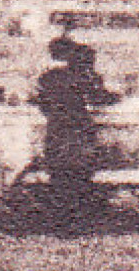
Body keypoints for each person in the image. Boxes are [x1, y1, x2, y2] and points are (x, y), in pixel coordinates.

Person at [30, 32, 120, 226]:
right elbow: (99, 97)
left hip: (56, 129)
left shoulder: (46, 78)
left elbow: (41, 103)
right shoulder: (79, 76)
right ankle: (80, 219)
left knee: (59, 172)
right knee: (80, 171)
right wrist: (115, 97)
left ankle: (60, 219)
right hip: (78, 126)